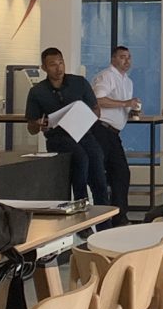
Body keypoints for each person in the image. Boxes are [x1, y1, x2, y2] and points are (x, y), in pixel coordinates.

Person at [23, 47, 110, 209]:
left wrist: (86, 117)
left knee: (97, 161)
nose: (58, 68)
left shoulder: (79, 83)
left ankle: (105, 218)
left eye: (61, 63)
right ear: (44, 68)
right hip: (58, 137)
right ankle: (81, 205)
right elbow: (32, 128)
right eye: (53, 65)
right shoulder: (37, 92)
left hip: (83, 133)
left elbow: (96, 109)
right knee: (80, 158)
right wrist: (38, 124)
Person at [90, 42, 142, 214]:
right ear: (113, 59)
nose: (127, 61)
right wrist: (126, 103)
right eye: (122, 57)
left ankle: (119, 215)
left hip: (114, 132)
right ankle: (101, 214)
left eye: (129, 57)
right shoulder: (106, 76)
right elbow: (98, 100)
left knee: (121, 173)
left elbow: (120, 106)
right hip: (100, 129)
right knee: (100, 173)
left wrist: (130, 110)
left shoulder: (128, 81)